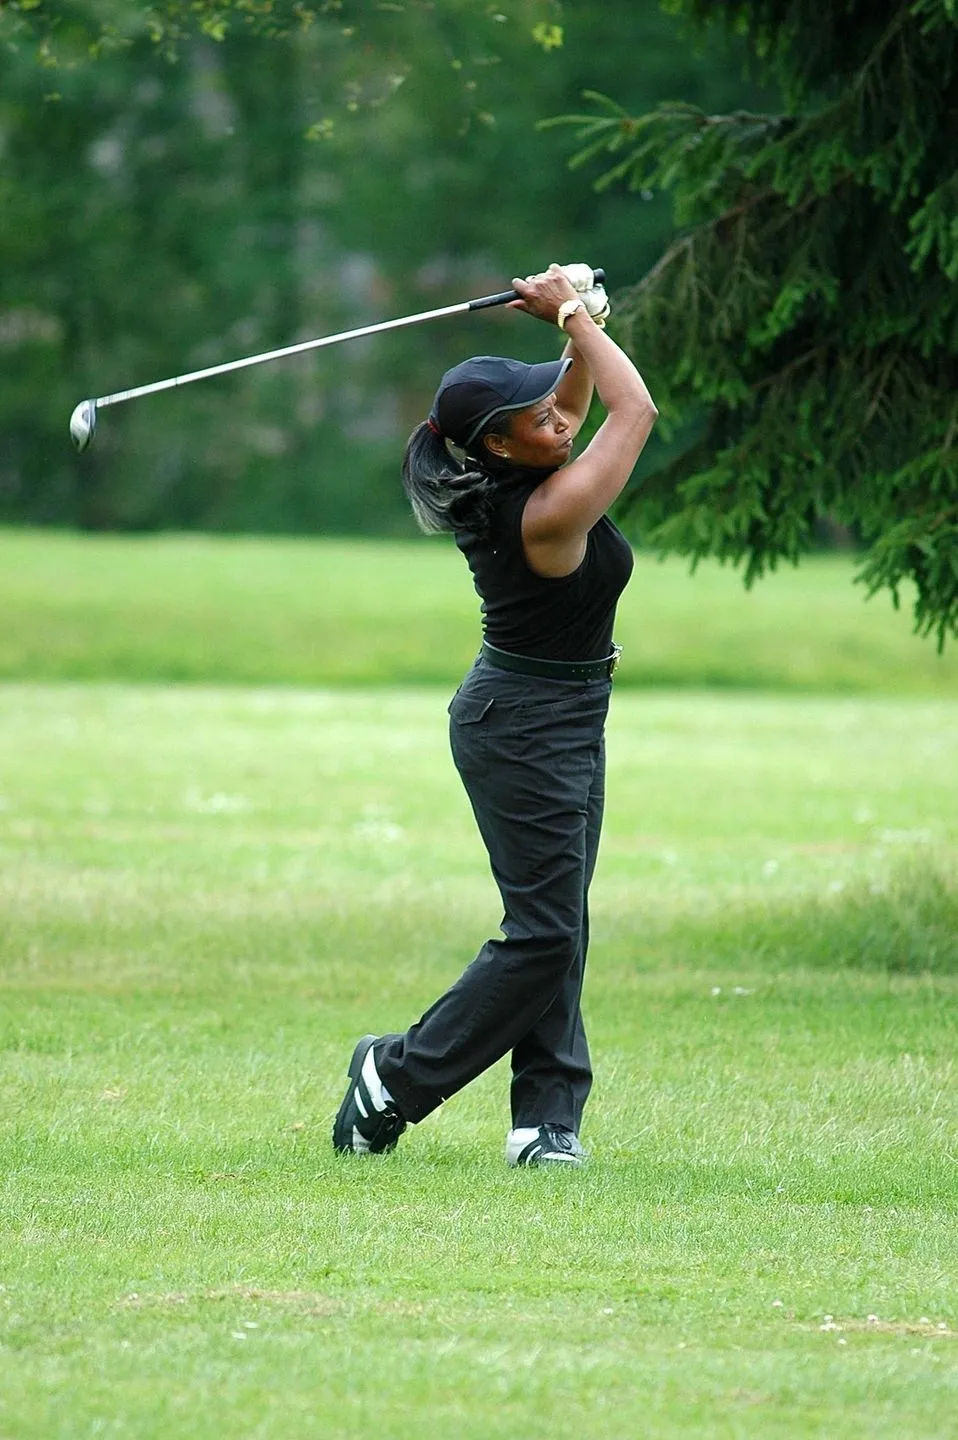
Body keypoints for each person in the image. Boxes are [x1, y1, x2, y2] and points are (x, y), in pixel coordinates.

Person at [333, 262, 658, 1166]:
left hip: (560, 710)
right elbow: (635, 415)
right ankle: (393, 1079)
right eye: (538, 418)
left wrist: (578, 319)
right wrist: (570, 313)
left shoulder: (526, 464)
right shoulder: (544, 516)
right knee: (544, 933)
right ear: (501, 448)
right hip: (521, 725)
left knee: (561, 923)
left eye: (555, 408)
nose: (560, 417)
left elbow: (580, 396)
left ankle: (544, 1122)